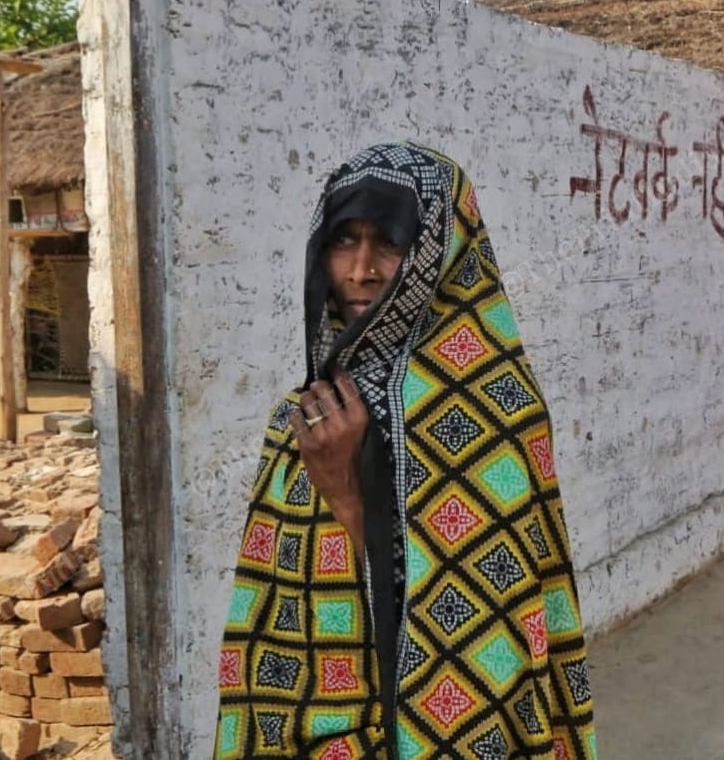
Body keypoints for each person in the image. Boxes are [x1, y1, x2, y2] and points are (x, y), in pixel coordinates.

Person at [216, 142, 597, 759]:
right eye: (345, 240)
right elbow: (269, 605)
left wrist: (344, 489)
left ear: (437, 254)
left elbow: (478, 630)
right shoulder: (308, 407)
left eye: (388, 244)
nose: (361, 269)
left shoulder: (493, 407)